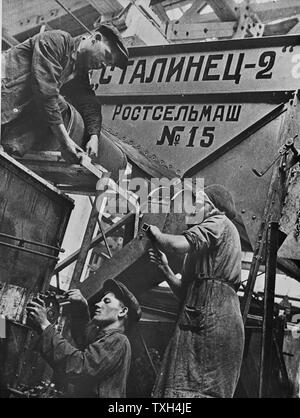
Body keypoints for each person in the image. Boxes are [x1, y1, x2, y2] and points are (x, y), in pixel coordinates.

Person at [148, 184, 245, 398]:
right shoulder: (203, 244)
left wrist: (156, 234)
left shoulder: (220, 222)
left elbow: (176, 245)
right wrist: (165, 269)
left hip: (214, 316)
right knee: (186, 387)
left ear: (212, 207)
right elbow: (185, 293)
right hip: (205, 313)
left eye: (197, 202)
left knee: (197, 389)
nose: (191, 208)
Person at [1, 24, 128, 163]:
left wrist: (94, 136)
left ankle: (10, 146)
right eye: (107, 55)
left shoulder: (77, 71)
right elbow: (45, 92)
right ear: (96, 38)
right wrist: (65, 141)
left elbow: (90, 103)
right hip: (4, 93)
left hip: (8, 115)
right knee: (57, 103)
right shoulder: (58, 41)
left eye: (110, 64)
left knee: (60, 105)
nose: (105, 65)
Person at [26, 279, 141, 398]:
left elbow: (80, 367)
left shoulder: (118, 340)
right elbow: (85, 337)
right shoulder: (105, 337)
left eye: (106, 301)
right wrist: (81, 306)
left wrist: (45, 326)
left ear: (122, 311)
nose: (98, 304)